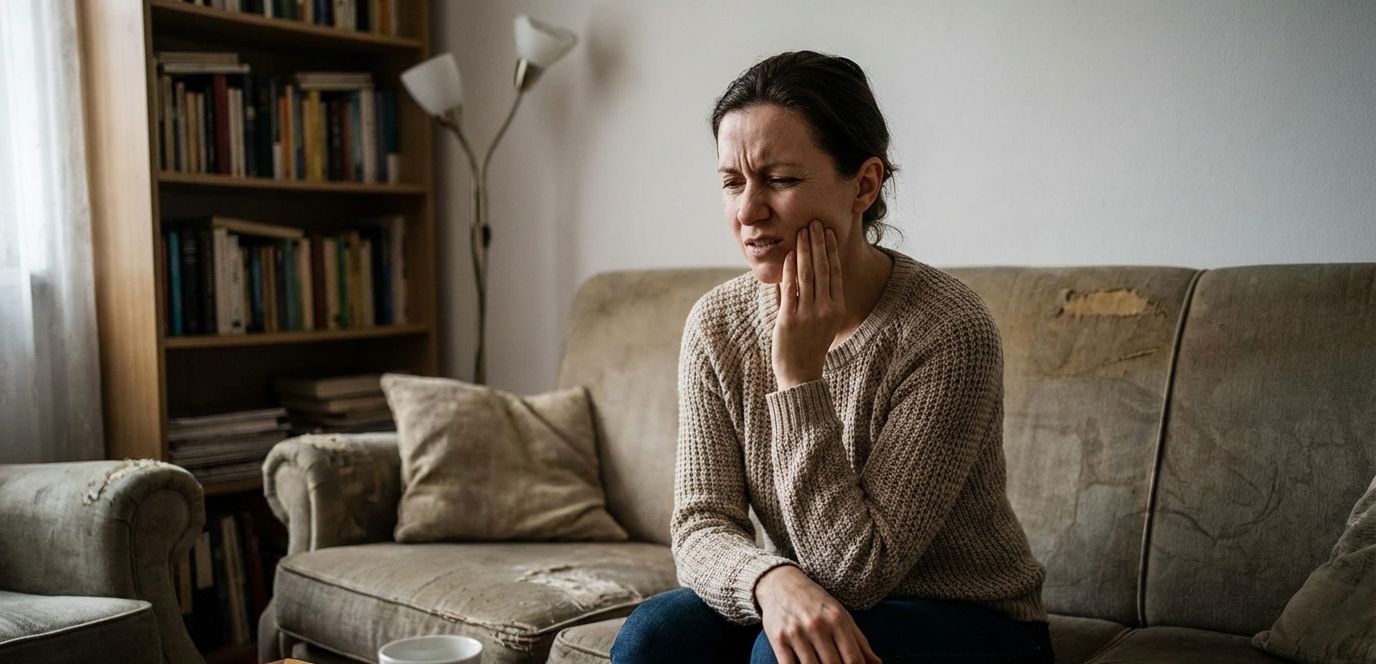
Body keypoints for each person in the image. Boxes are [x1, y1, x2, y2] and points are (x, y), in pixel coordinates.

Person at [610, 51, 1053, 664]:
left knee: (782, 655)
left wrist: (797, 376)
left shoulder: (949, 332)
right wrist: (769, 580)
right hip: (815, 590)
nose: (747, 212)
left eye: (781, 180)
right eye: (732, 182)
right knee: (654, 634)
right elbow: (700, 526)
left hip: (971, 619)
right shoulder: (717, 324)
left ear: (864, 186)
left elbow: (858, 572)